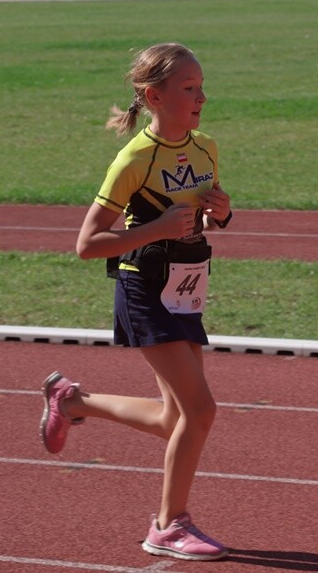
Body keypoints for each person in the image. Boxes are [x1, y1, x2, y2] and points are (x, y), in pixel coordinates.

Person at [40, 42, 232, 562]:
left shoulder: (206, 146)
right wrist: (157, 227)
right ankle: (169, 526)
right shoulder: (134, 159)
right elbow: (86, 244)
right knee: (201, 410)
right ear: (154, 96)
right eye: (189, 89)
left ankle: (73, 402)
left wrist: (222, 211)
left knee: (178, 419)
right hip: (143, 289)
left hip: (187, 288)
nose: (201, 97)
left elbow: (204, 217)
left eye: (201, 86)